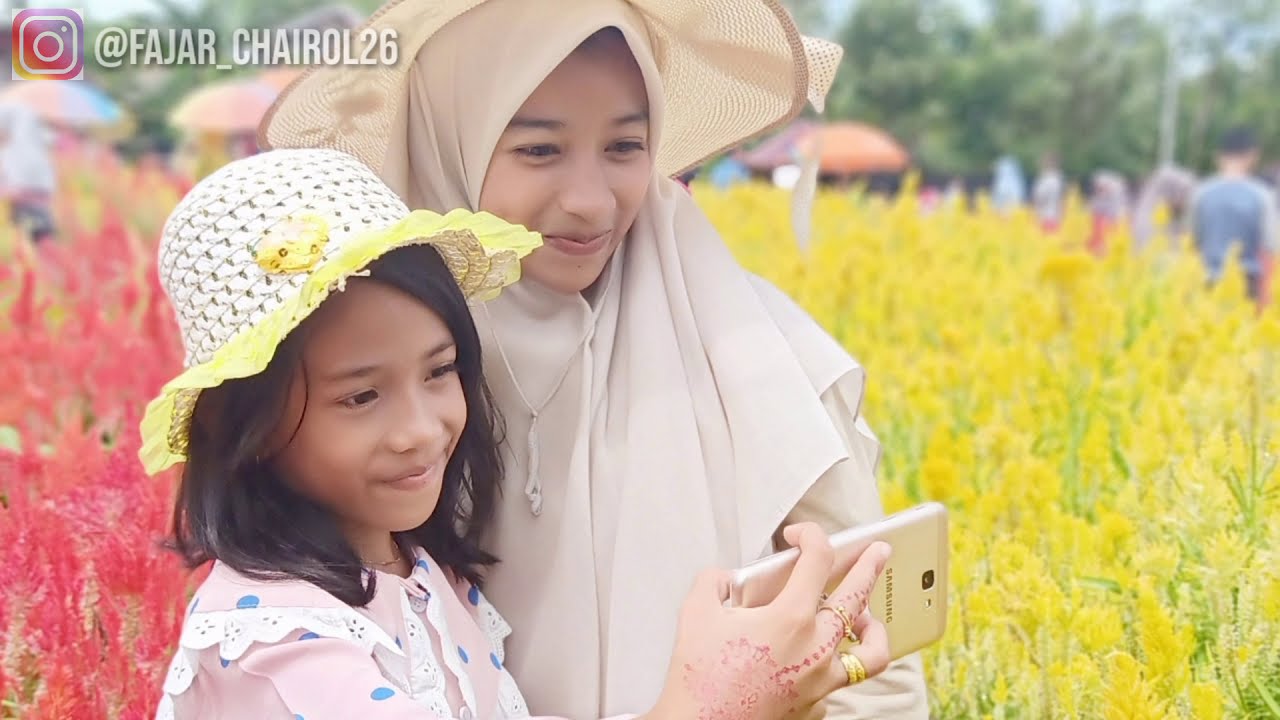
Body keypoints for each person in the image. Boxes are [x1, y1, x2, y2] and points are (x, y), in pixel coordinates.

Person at [260, 1, 932, 717]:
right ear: (446, 141)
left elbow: (873, 660)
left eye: (623, 148)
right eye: (539, 150)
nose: (590, 202)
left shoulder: (759, 355)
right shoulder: (372, 365)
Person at [142, 148, 895, 720]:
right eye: (362, 395)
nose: (420, 429)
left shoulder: (422, 575)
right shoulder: (277, 649)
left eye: (440, 373)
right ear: (243, 422)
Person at [1190, 127, 1280, 302]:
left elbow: (1193, 240)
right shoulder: (1262, 195)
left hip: (1208, 281)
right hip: (1247, 286)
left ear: (1218, 156)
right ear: (1252, 156)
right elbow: (1272, 245)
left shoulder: (1200, 193)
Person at [0, 104, 57, 244]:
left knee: (36, 242)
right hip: (21, 210)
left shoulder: (23, 151)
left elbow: (20, 185)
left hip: (29, 209)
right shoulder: (11, 150)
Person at [1031, 153, 1065, 232]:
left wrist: (1036, 201)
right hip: (1053, 214)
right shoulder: (1057, 177)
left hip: (1047, 214)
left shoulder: (1050, 178)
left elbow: (1041, 196)